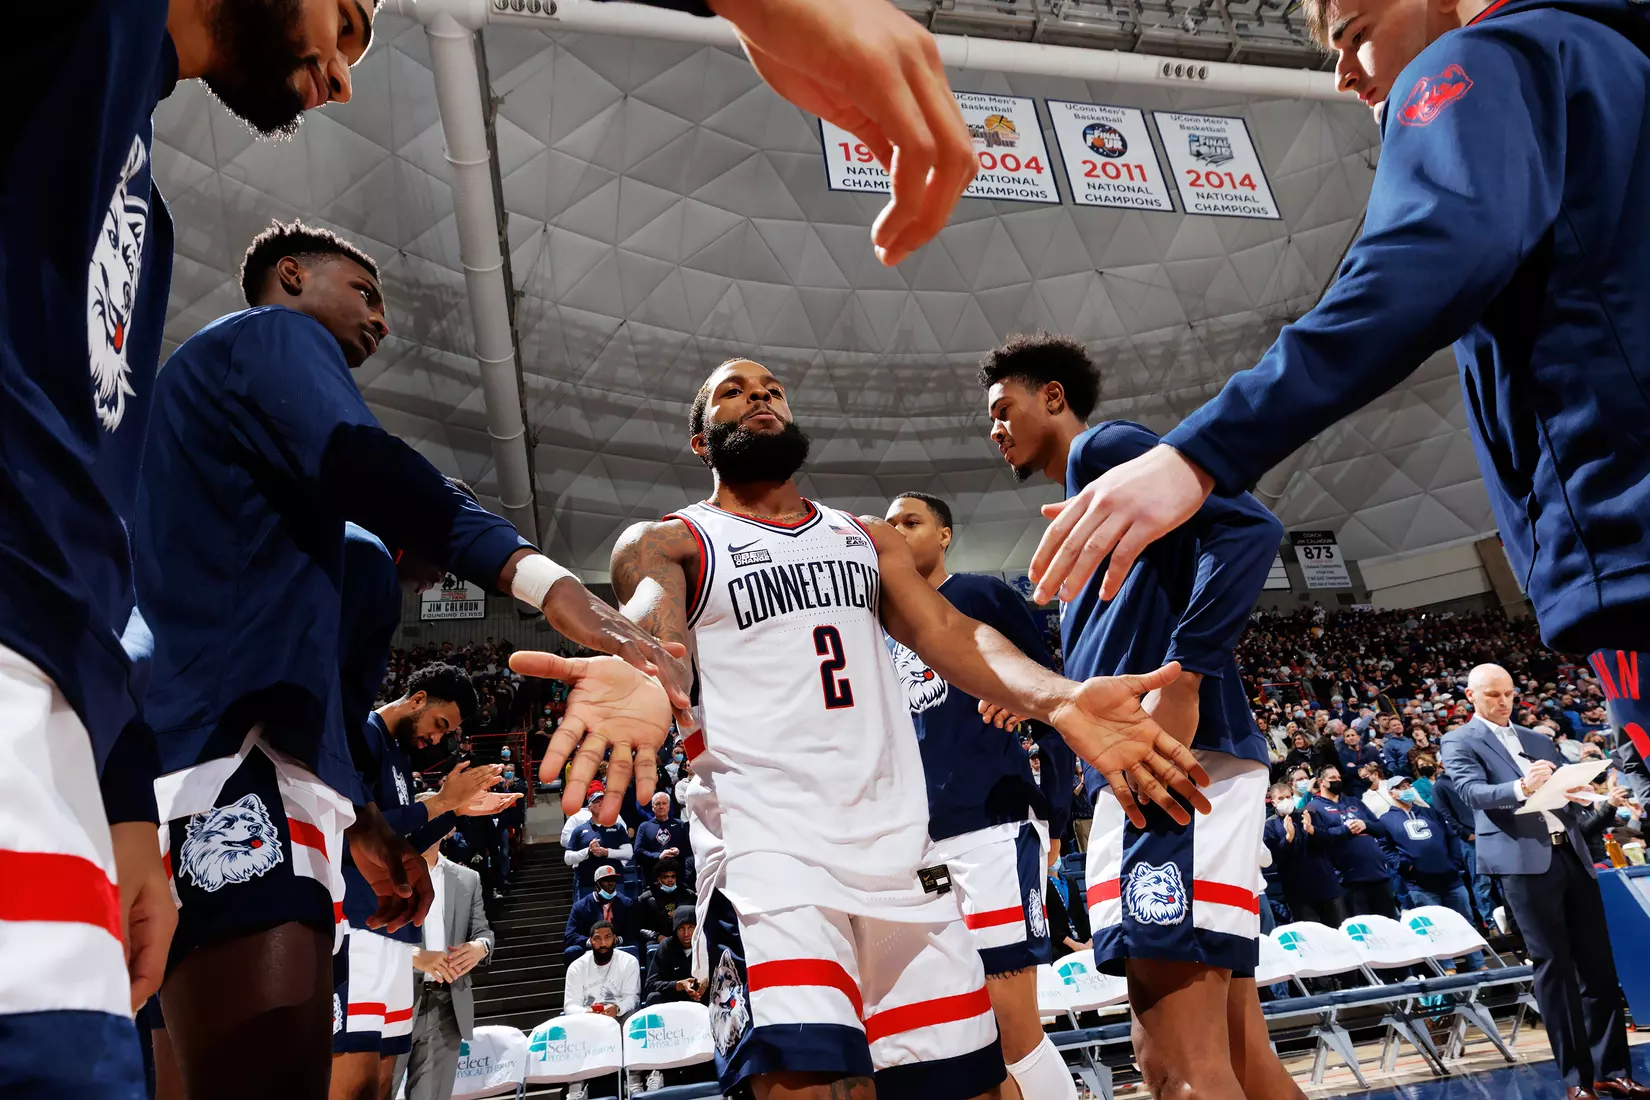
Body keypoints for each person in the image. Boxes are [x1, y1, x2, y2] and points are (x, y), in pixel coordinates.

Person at [1016, 0, 1650, 933]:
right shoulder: (1610, 56)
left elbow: (1422, 257)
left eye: (1353, 32)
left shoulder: (1483, 57)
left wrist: (1202, 451)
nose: (1346, 75)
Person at [140, 222, 690, 1100]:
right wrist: (541, 579)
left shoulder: (300, 522)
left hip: (214, 763)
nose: (383, 320)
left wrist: (359, 817)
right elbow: (365, 460)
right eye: (365, 293)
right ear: (291, 276)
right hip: (225, 759)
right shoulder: (269, 336)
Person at [567, 357, 1209, 1100]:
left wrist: (1059, 700)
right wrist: (641, 661)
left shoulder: (866, 538)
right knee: (814, 1087)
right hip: (769, 861)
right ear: (700, 440)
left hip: (903, 860)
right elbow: (654, 617)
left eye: (772, 389)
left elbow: (952, 632)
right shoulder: (671, 541)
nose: (760, 398)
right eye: (734, 392)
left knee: (976, 1085)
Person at [979, 336, 1297, 1100]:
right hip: (1182, 763)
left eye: (1003, 408)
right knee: (1244, 1064)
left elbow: (1252, 528)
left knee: (1174, 1069)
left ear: (1053, 396)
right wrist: (1049, 691)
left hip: (1165, 766)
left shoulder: (1104, 448)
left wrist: (1186, 674)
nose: (994, 429)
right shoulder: (1098, 508)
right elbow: (1126, 637)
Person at [882, 490, 1077, 1100]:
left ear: (944, 535)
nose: (896, 532)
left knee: (1012, 1024)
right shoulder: (880, 630)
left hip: (994, 823)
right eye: (887, 526)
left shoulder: (980, 595)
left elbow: (1056, 694)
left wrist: (1059, 816)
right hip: (921, 841)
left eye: (910, 522)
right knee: (964, 1034)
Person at [1441, 664, 1646, 1099]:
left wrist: (1585, 793)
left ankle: (1613, 1069)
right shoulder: (1459, 739)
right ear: (1471, 696)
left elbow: (1565, 798)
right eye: (1493, 694)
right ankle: (1578, 1079)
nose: (1503, 702)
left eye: (1509, 694)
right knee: (1554, 969)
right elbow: (1471, 792)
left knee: (1598, 966)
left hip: (1570, 853)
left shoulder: (1537, 738)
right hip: (1522, 863)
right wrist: (1519, 786)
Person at [332, 662, 519, 1100]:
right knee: (351, 1075)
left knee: (381, 1079)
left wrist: (456, 810)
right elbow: (357, 832)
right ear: (417, 700)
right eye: (439, 724)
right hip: (361, 923)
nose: (437, 738)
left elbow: (408, 842)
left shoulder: (398, 756)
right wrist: (439, 804)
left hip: (397, 933)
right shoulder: (363, 736)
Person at [400, 831, 494, 1100]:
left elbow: (483, 931)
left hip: (447, 1002)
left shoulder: (467, 878)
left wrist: (480, 948)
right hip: (396, 1001)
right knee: (378, 1089)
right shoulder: (387, 874)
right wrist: (413, 955)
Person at [1371, 778, 1482, 971]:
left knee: (1464, 922)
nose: (1406, 790)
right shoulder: (1386, 820)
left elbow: (1451, 837)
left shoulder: (1431, 813)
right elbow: (1385, 848)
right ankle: (1448, 967)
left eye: (1407, 786)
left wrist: (1455, 862)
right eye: (1400, 788)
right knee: (1434, 928)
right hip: (1420, 884)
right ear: (1391, 793)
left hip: (1451, 878)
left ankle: (1479, 964)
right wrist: (1405, 866)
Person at [1304, 767, 1396, 920]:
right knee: (1363, 930)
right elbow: (1319, 837)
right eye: (1333, 778)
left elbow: (1380, 827)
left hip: (1378, 873)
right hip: (1349, 879)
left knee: (1390, 924)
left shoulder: (1354, 801)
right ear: (1321, 782)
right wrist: (1345, 829)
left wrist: (1365, 824)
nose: (1338, 780)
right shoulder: (1314, 807)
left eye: (1339, 777)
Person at [1263, 784, 1349, 928]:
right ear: (1273, 802)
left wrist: (1311, 830)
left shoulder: (1309, 814)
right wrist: (1288, 838)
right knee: (1312, 938)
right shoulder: (1270, 825)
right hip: (1299, 894)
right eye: (1281, 798)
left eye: (1288, 797)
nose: (1286, 800)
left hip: (1327, 886)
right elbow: (1275, 858)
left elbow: (1328, 841)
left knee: (1339, 931)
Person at [563, 920, 641, 1019]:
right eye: (597, 939)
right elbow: (570, 1005)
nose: (603, 943)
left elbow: (632, 998)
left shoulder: (629, 962)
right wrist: (587, 1012)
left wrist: (617, 1008)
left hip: (619, 1016)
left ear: (615, 939)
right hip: (587, 1020)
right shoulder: (576, 967)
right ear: (590, 941)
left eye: (607, 937)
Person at [564, 865, 637, 965]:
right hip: (591, 947)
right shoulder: (580, 906)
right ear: (596, 884)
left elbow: (633, 930)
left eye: (613, 880)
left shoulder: (626, 903)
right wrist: (591, 941)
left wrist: (618, 939)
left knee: (638, 945)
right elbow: (570, 935)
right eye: (606, 880)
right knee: (572, 951)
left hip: (618, 944)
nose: (611, 884)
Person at [565, 809, 634, 902]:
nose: (601, 805)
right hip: (587, 883)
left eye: (603, 801)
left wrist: (606, 852)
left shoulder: (618, 827)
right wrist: (588, 851)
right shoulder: (579, 829)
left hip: (614, 882)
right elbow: (568, 858)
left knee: (618, 914)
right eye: (597, 801)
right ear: (589, 806)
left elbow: (628, 853)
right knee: (587, 915)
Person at [645, 909, 705, 1007]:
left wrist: (704, 986)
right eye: (681, 928)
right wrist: (679, 985)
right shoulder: (666, 946)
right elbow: (650, 985)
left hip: (701, 999)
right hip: (673, 1000)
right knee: (653, 997)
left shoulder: (706, 946)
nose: (686, 934)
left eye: (691, 928)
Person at [635, 791, 691, 886]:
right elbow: (638, 851)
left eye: (664, 803)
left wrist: (678, 851)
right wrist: (659, 856)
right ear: (652, 807)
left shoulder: (679, 824)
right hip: (652, 879)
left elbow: (689, 848)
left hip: (677, 879)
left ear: (669, 806)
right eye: (658, 803)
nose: (661, 806)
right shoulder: (644, 827)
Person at [635, 860, 697, 944]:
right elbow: (638, 928)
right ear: (658, 879)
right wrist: (657, 936)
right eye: (666, 877)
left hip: (686, 937)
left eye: (673, 876)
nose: (670, 880)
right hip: (658, 941)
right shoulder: (646, 899)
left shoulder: (689, 895)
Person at [1336, 726, 1380, 799]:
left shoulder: (1369, 750)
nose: (1351, 737)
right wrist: (1370, 765)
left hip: (1374, 780)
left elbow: (1380, 764)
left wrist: (1357, 767)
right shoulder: (1342, 754)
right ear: (1345, 741)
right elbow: (1350, 770)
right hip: (1357, 786)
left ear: (1358, 737)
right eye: (1348, 736)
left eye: (1353, 735)